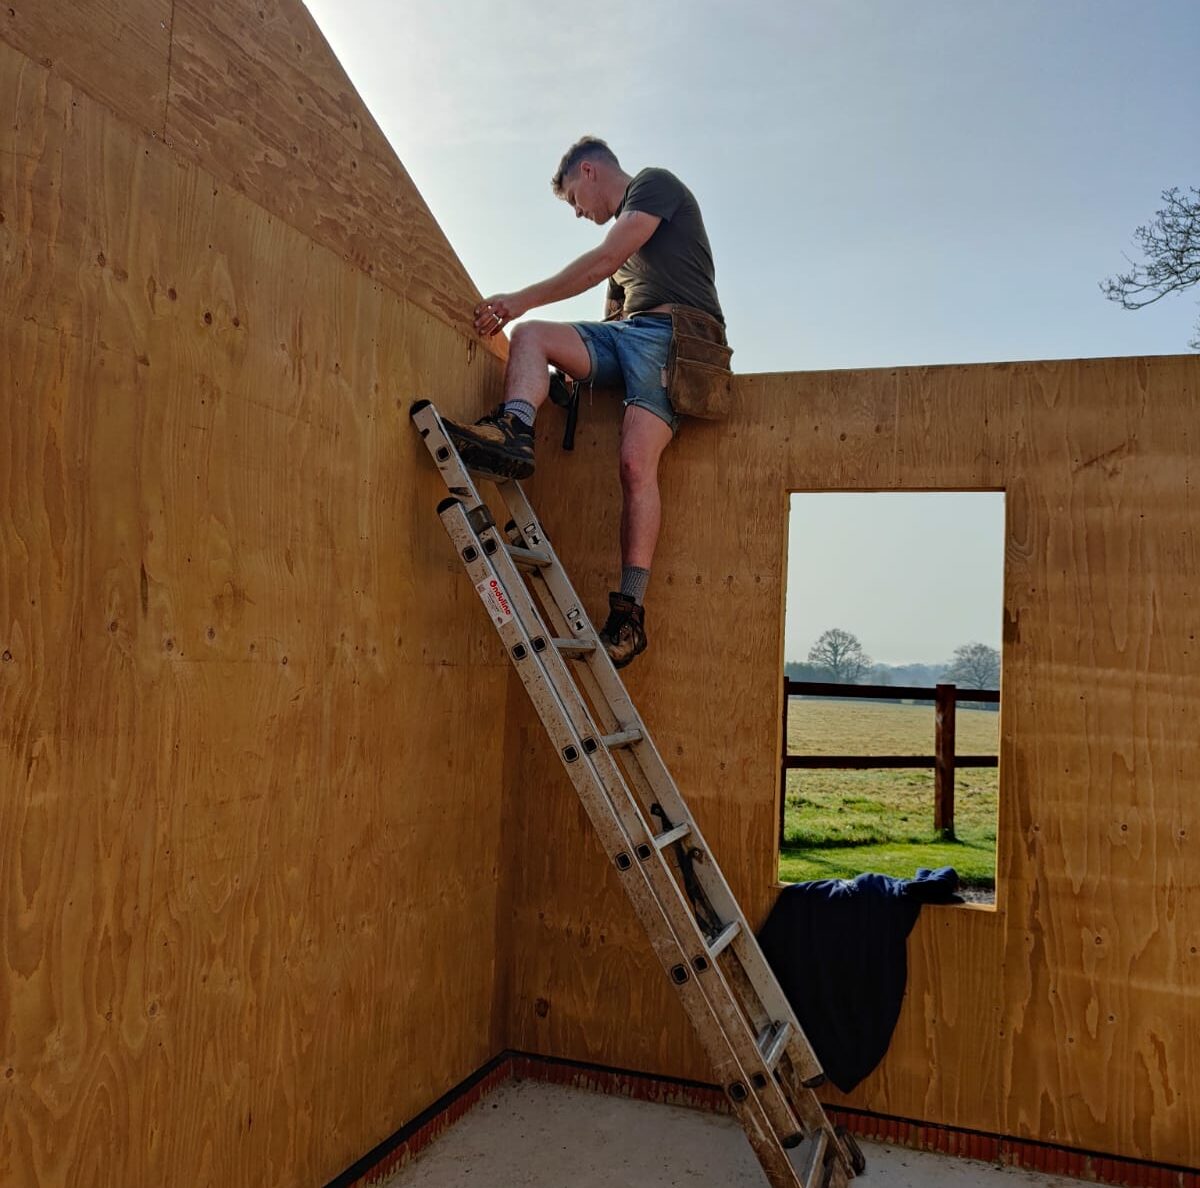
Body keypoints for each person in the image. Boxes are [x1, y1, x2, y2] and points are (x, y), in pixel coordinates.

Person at [444, 136, 725, 669]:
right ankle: (515, 431)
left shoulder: (655, 186)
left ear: (590, 172)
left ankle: (629, 616)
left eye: (574, 198)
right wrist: (566, 376)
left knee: (634, 464)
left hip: (676, 339)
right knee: (532, 337)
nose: (578, 212)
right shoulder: (623, 265)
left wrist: (517, 299)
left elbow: (602, 260)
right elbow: (611, 314)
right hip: (629, 336)